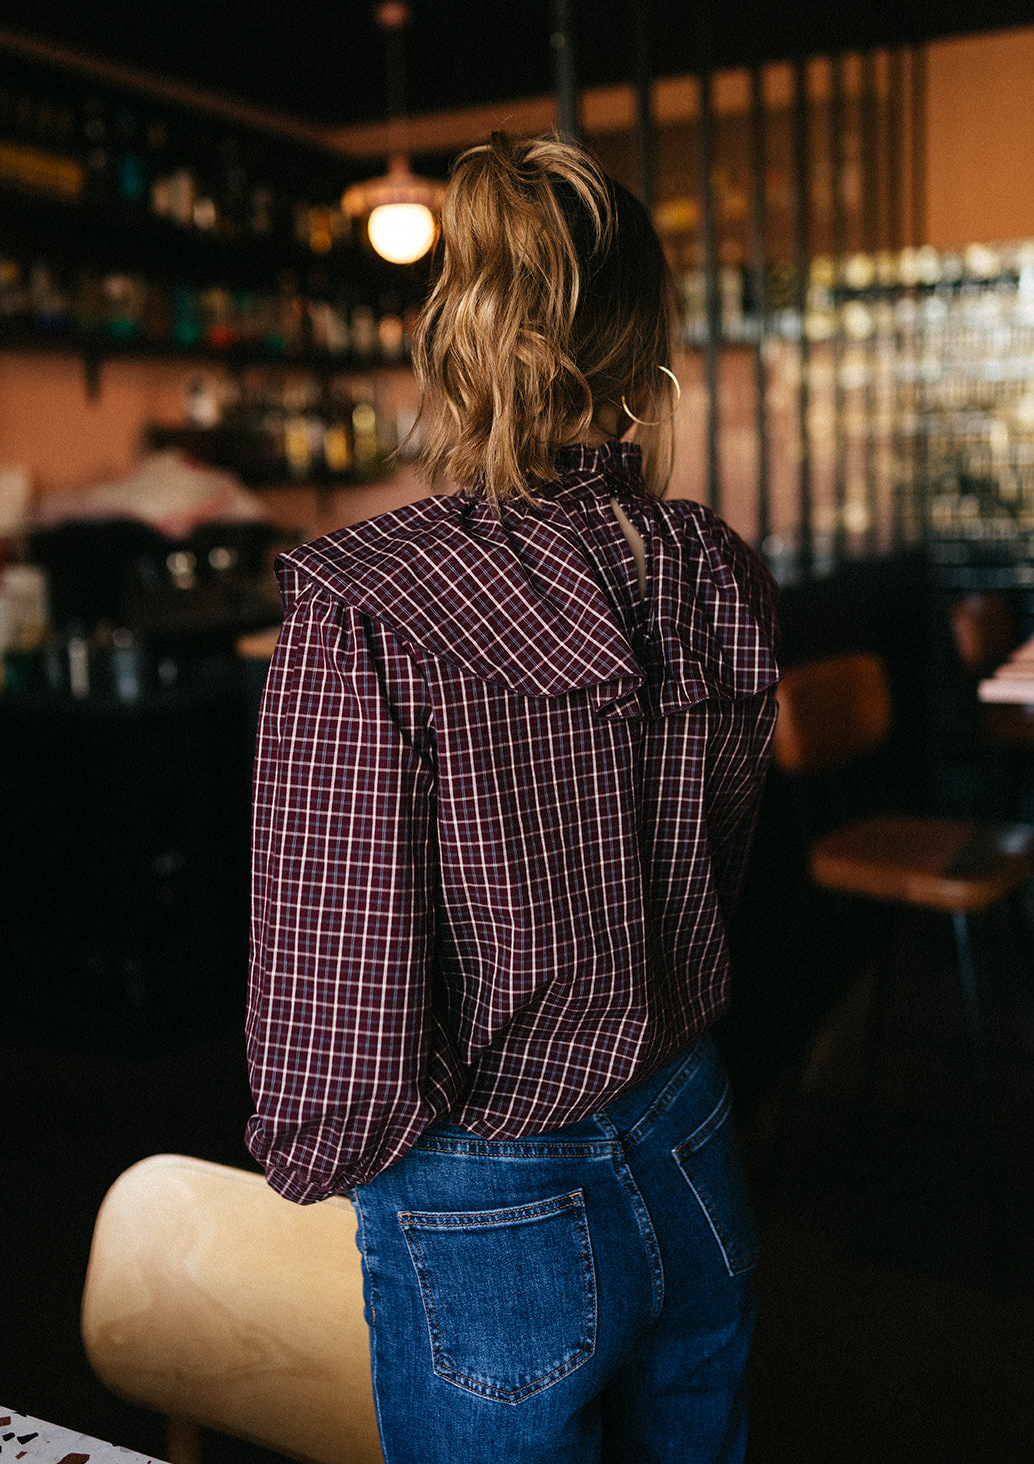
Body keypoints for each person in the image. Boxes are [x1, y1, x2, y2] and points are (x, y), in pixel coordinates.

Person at [246, 132, 779, 1464]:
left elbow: (341, 975)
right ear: (639, 336)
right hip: (691, 1122)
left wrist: (323, 1155)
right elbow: (719, 860)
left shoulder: (365, 603)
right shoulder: (713, 569)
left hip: (492, 1182)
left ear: (453, 332)